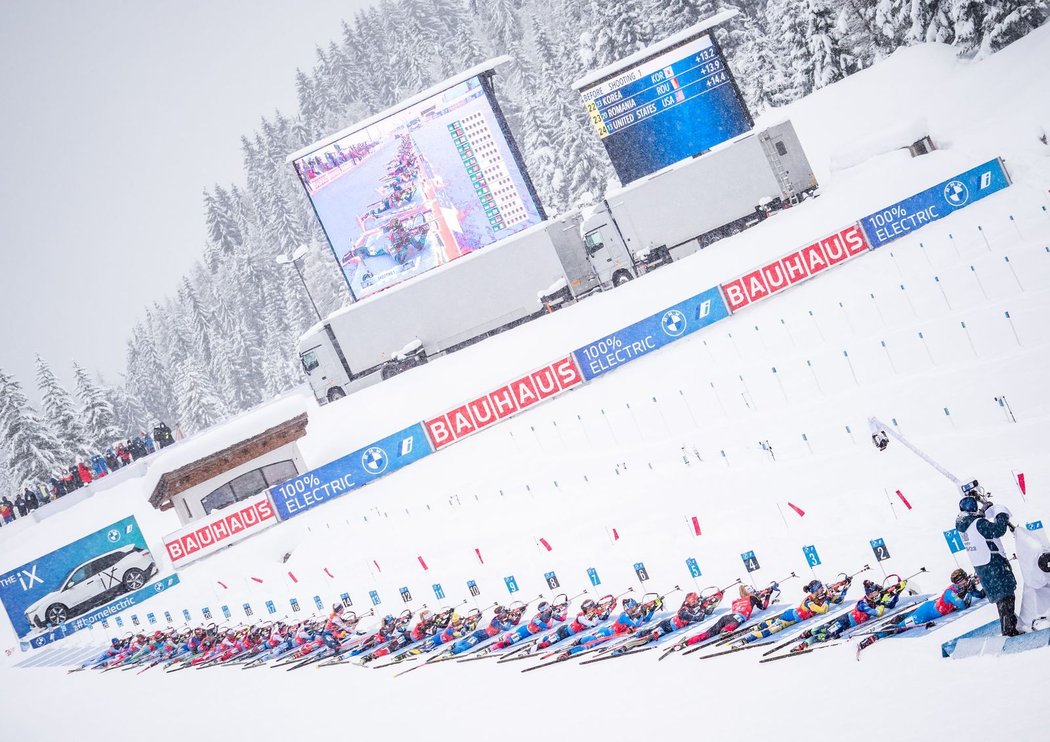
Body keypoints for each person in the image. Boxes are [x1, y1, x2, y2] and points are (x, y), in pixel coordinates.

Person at [856, 569, 986, 654]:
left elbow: (980, 595)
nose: (963, 583)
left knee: (904, 621)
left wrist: (975, 586)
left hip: (931, 608)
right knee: (901, 628)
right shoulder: (950, 593)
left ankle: (894, 622)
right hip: (925, 613)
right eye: (961, 582)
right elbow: (963, 605)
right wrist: (969, 591)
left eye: (964, 581)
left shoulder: (961, 588)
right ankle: (875, 636)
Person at [957, 495, 1019, 636]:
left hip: (982, 567)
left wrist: (981, 513)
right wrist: (1002, 515)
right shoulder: (978, 523)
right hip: (992, 564)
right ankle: (1009, 630)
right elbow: (998, 530)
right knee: (1006, 597)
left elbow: (974, 524)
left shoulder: (962, 524)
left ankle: (1009, 625)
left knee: (1001, 598)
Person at [793, 579, 906, 651]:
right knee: (826, 635)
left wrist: (897, 594)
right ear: (870, 593)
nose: (878, 594)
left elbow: (890, 605)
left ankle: (809, 632)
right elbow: (878, 613)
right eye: (876, 592)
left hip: (847, 623)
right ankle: (805, 643)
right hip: (844, 621)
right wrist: (882, 601)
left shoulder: (873, 600)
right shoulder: (863, 604)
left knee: (826, 630)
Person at [736, 577, 850, 645]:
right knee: (771, 631)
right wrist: (829, 599)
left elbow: (840, 600)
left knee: (776, 621)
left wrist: (845, 589)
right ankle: (748, 639)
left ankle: (760, 625)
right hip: (790, 617)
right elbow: (823, 610)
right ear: (815, 590)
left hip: (793, 617)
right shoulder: (808, 601)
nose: (823, 589)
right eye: (820, 587)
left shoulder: (822, 597)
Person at [681, 583, 778, 647]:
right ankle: (725, 631)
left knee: (708, 634)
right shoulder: (752, 597)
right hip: (737, 617)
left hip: (727, 617)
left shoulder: (736, 600)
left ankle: (687, 642)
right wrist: (768, 594)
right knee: (729, 627)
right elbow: (764, 607)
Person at [562, 597, 660, 657]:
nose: (635, 608)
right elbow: (636, 624)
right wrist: (641, 612)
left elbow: (645, 620)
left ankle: (579, 641)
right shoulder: (624, 615)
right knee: (592, 642)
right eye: (633, 607)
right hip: (606, 633)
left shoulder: (634, 616)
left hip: (611, 634)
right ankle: (570, 651)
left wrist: (652, 609)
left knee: (592, 640)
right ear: (628, 608)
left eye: (635, 607)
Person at [645, 590, 723, 644]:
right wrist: (703, 607)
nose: (696, 603)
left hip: (670, 624)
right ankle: (641, 635)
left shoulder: (692, 606)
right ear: (690, 601)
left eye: (696, 600)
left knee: (656, 632)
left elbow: (708, 612)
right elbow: (699, 618)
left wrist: (714, 599)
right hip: (667, 626)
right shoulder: (684, 612)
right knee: (656, 632)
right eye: (694, 601)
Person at [536, 597, 614, 650]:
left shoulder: (589, 615)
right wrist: (596, 615)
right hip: (564, 632)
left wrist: (608, 609)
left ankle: (543, 639)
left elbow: (603, 617)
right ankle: (535, 647)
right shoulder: (581, 617)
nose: (592, 609)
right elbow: (593, 624)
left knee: (552, 639)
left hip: (567, 631)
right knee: (549, 643)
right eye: (590, 607)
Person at [491, 601, 565, 650]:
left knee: (511, 638)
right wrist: (552, 615)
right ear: (543, 611)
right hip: (524, 632)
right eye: (547, 609)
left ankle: (504, 637)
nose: (549, 610)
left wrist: (565, 609)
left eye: (549, 608)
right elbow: (547, 626)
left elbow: (562, 619)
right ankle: (493, 647)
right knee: (509, 642)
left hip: (527, 630)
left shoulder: (550, 614)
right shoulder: (536, 618)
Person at [451, 605, 521, 655]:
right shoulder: (495, 620)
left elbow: (515, 623)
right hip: (481, 635)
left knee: (468, 641)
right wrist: (509, 619)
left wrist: (518, 616)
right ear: (500, 613)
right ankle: (455, 651)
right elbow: (506, 628)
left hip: (482, 634)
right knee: (470, 644)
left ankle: (455, 645)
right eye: (504, 612)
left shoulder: (501, 619)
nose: (505, 614)